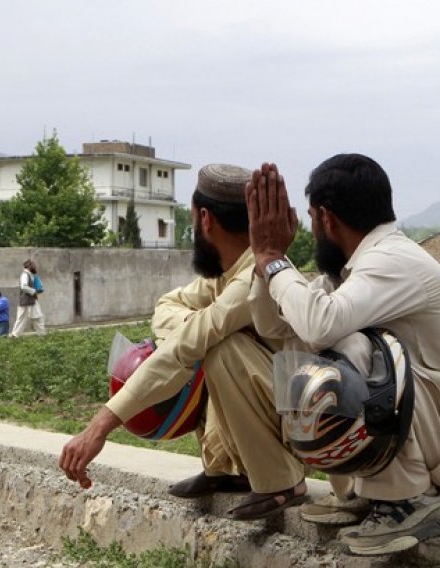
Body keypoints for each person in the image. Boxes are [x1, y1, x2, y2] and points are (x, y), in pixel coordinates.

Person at [246, 156, 440, 556]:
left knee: (352, 346)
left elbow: (322, 324)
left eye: (313, 220)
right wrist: (262, 264)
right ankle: (367, 491)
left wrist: (274, 259)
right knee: (304, 345)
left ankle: (412, 502)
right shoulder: (356, 269)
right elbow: (279, 327)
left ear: (325, 218)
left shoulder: (393, 260)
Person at [60, 164, 305, 520]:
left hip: (296, 421)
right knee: (207, 339)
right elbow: (166, 306)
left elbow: (182, 351)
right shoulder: (225, 275)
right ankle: (226, 469)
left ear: (205, 219)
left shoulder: (255, 277)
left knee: (220, 349)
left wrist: (97, 428)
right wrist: (194, 325)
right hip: (274, 408)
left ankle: (282, 481)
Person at [10, 260, 46, 337]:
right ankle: (42, 335)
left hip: (27, 300)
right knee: (37, 317)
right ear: (29, 265)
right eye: (33, 265)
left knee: (22, 319)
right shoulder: (25, 275)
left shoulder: (30, 275)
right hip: (29, 300)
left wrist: (38, 289)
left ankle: (15, 335)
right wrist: (34, 291)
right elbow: (24, 287)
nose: (35, 266)